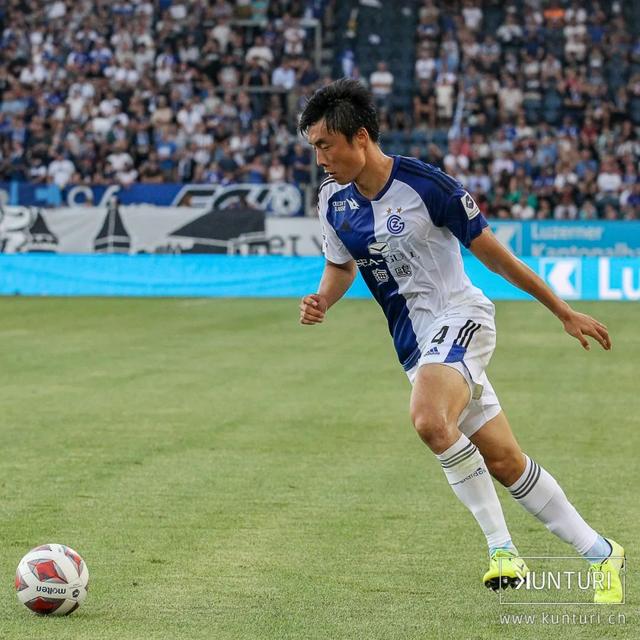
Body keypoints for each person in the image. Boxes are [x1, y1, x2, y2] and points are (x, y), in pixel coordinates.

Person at [298, 79, 624, 602]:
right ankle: (602, 552)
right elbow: (341, 265)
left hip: (462, 318)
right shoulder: (332, 201)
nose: (319, 159)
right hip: (416, 348)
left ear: (360, 137)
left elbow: (497, 257)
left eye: (324, 145)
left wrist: (562, 310)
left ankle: (502, 549)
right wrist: (322, 299)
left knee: (429, 419)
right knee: (506, 462)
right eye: (313, 147)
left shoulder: (428, 187)